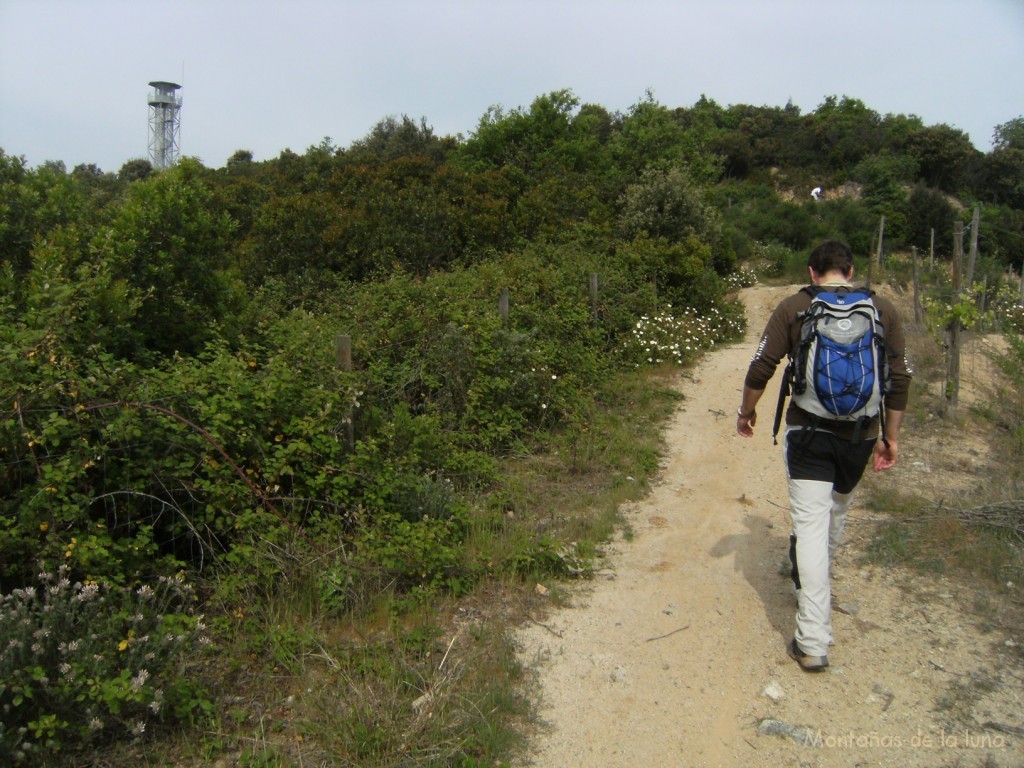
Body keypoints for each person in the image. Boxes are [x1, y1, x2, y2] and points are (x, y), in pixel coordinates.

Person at [736, 239, 912, 671]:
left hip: (809, 432)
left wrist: (746, 412)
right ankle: (815, 588)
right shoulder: (882, 309)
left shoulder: (795, 306)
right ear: (849, 271)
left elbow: (762, 365)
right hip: (862, 434)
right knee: (835, 514)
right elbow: (900, 378)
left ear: (812, 273)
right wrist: (890, 438)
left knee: (811, 527)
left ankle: (813, 639)